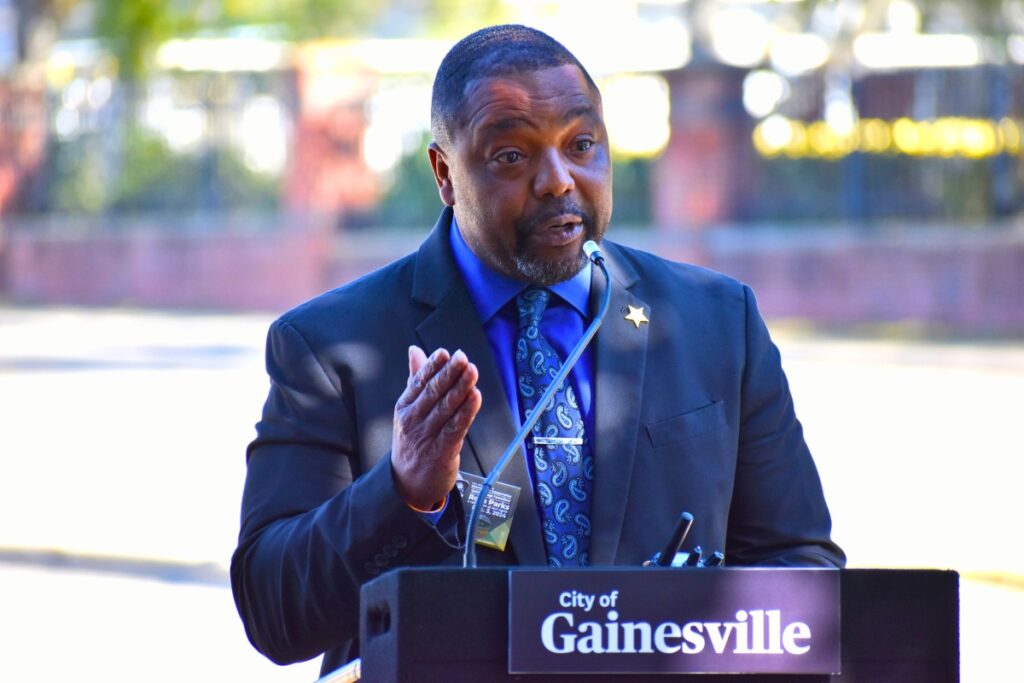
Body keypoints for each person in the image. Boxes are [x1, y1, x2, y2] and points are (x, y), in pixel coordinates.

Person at [231, 24, 845, 675]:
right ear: (445, 173)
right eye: (511, 156)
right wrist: (403, 491)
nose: (558, 181)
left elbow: (801, 571)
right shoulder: (330, 346)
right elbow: (274, 613)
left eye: (581, 145)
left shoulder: (716, 322)